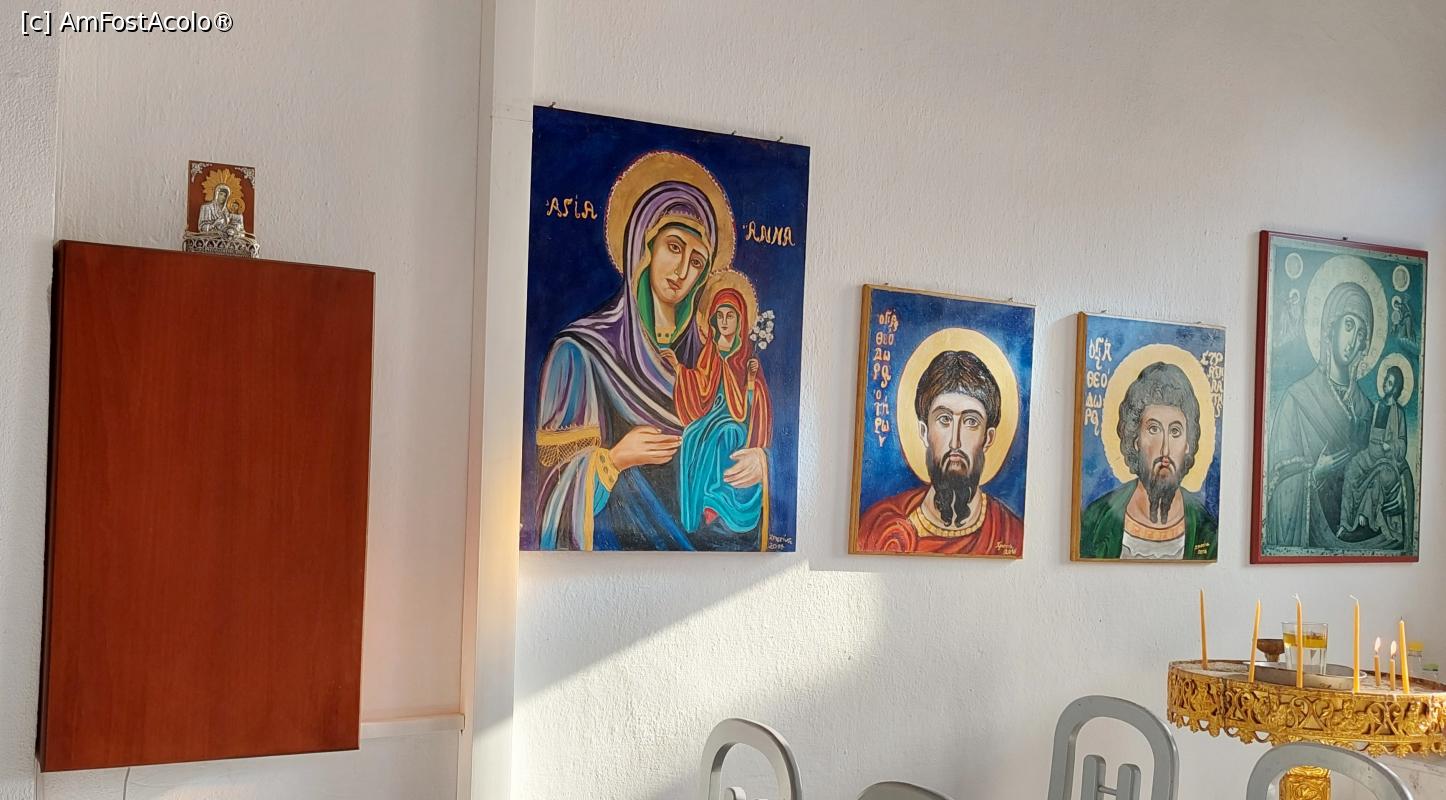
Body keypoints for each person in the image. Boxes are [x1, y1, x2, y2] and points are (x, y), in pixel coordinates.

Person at [533, 173, 725, 550]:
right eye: (673, 247)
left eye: (696, 261)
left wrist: (757, 465)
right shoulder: (581, 353)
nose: (682, 271)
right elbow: (553, 494)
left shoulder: (711, 363)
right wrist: (616, 459)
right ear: (644, 248)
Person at [856, 350, 1024, 555]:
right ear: (924, 432)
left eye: (971, 421)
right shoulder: (879, 528)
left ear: (988, 438)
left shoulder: (1010, 533)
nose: (955, 442)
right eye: (944, 419)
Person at [1264, 281, 1375, 549]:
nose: (1353, 341)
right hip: (1310, 539)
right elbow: (1274, 489)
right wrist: (1314, 474)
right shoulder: (1296, 399)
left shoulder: (1366, 409)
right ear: (1330, 327)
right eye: (1348, 325)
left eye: (1361, 333)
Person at [666, 273, 772, 547]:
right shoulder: (710, 350)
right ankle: (699, 505)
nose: (725, 322)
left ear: (740, 320)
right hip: (711, 413)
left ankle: (718, 499)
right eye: (720, 316)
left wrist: (751, 382)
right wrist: (679, 370)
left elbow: (754, 403)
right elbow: (701, 383)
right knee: (692, 435)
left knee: (726, 433)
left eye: (730, 316)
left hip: (737, 419)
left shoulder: (746, 356)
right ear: (713, 319)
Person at [1078, 362, 1218, 560]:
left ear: (1188, 444)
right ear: (1135, 439)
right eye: (1154, 429)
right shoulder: (1097, 521)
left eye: (1175, 431)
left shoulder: (1206, 529)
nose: (1165, 450)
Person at [1338, 364, 1413, 546]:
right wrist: (1355, 420)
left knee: (1378, 478)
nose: (1385, 384)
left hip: (1387, 462)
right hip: (1370, 456)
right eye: (1386, 380)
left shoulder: (1399, 413)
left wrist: (1390, 446)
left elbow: (1402, 444)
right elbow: (1366, 432)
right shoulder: (1378, 406)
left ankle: (1364, 520)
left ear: (1396, 388)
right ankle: (1345, 524)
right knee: (1351, 469)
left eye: (1390, 382)